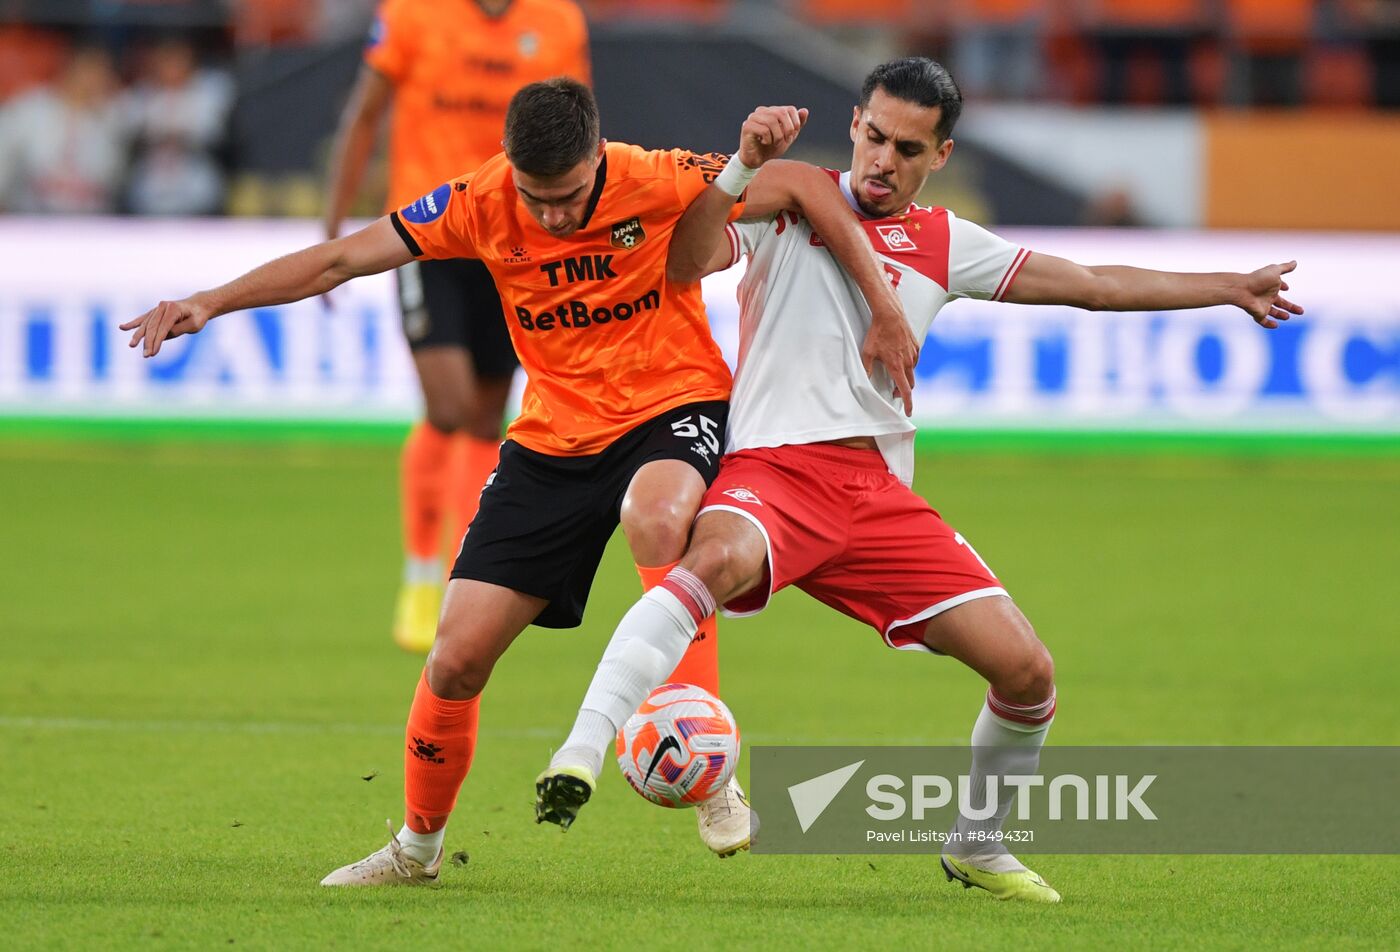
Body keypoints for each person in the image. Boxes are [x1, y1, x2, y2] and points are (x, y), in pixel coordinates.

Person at [535, 57, 1303, 903]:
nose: (882, 160)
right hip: (774, 472)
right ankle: (582, 748)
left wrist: (1228, 287)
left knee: (1027, 671)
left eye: (907, 147)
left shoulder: (945, 243)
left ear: (938, 155)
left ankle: (977, 845)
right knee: (708, 563)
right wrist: (744, 166)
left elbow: (1090, 286)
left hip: (875, 499)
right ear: (856, 121)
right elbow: (684, 262)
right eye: (873, 136)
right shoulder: (788, 198)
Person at [121, 78, 917, 883]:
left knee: (660, 512)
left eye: (570, 196)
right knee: (455, 660)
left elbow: (809, 185)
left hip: (671, 405)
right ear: (511, 169)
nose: (556, 217)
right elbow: (338, 259)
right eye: (538, 200)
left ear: (598, 158)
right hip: (551, 441)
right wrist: (209, 302)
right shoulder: (479, 200)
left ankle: (712, 770)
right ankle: (417, 849)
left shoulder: (658, 175)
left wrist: (883, 305)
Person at [323, 0, 591, 653]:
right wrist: (335, 217)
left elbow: (580, 129)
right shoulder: (413, 13)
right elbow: (365, 112)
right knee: (444, 404)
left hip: (513, 239)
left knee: (482, 415)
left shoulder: (558, 21)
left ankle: (453, 576)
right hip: (430, 232)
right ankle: (418, 574)